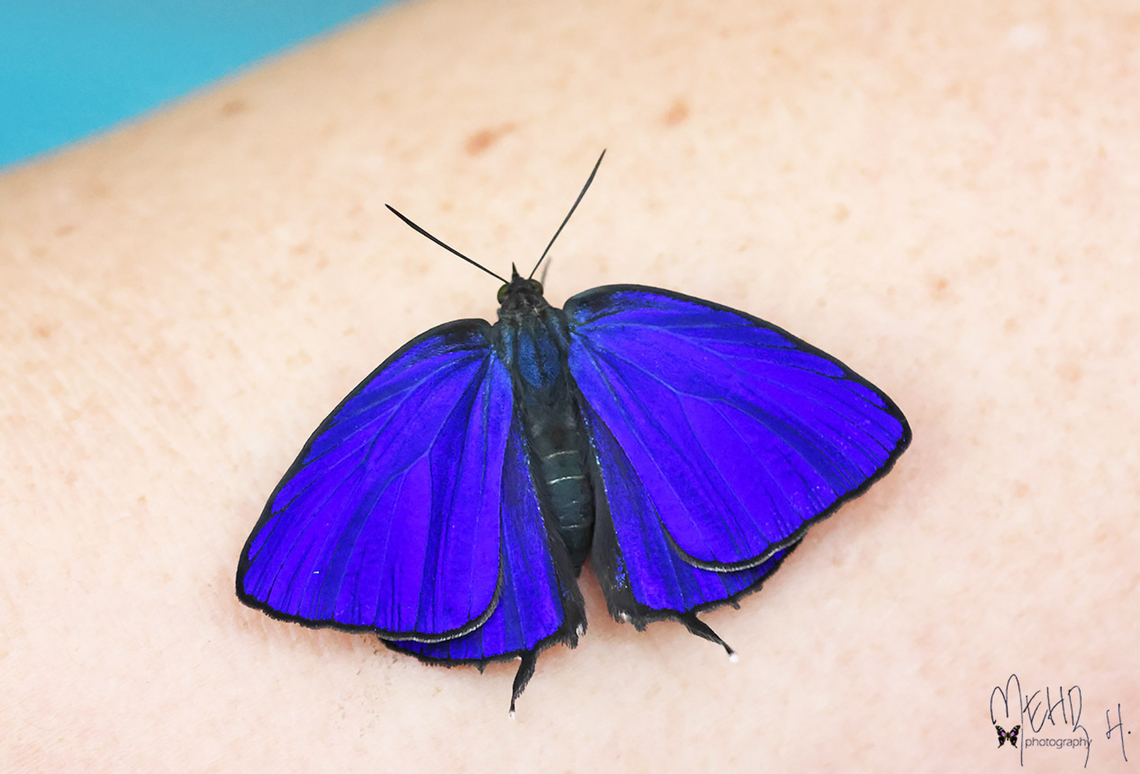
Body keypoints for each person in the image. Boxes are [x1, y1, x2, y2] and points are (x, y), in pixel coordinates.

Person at [3, 1, 1134, 769]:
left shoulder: (441, 370)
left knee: (477, 522)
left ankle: (553, 602)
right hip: (641, 483)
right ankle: (647, 578)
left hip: (500, 517)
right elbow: (794, 417)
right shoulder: (623, 326)